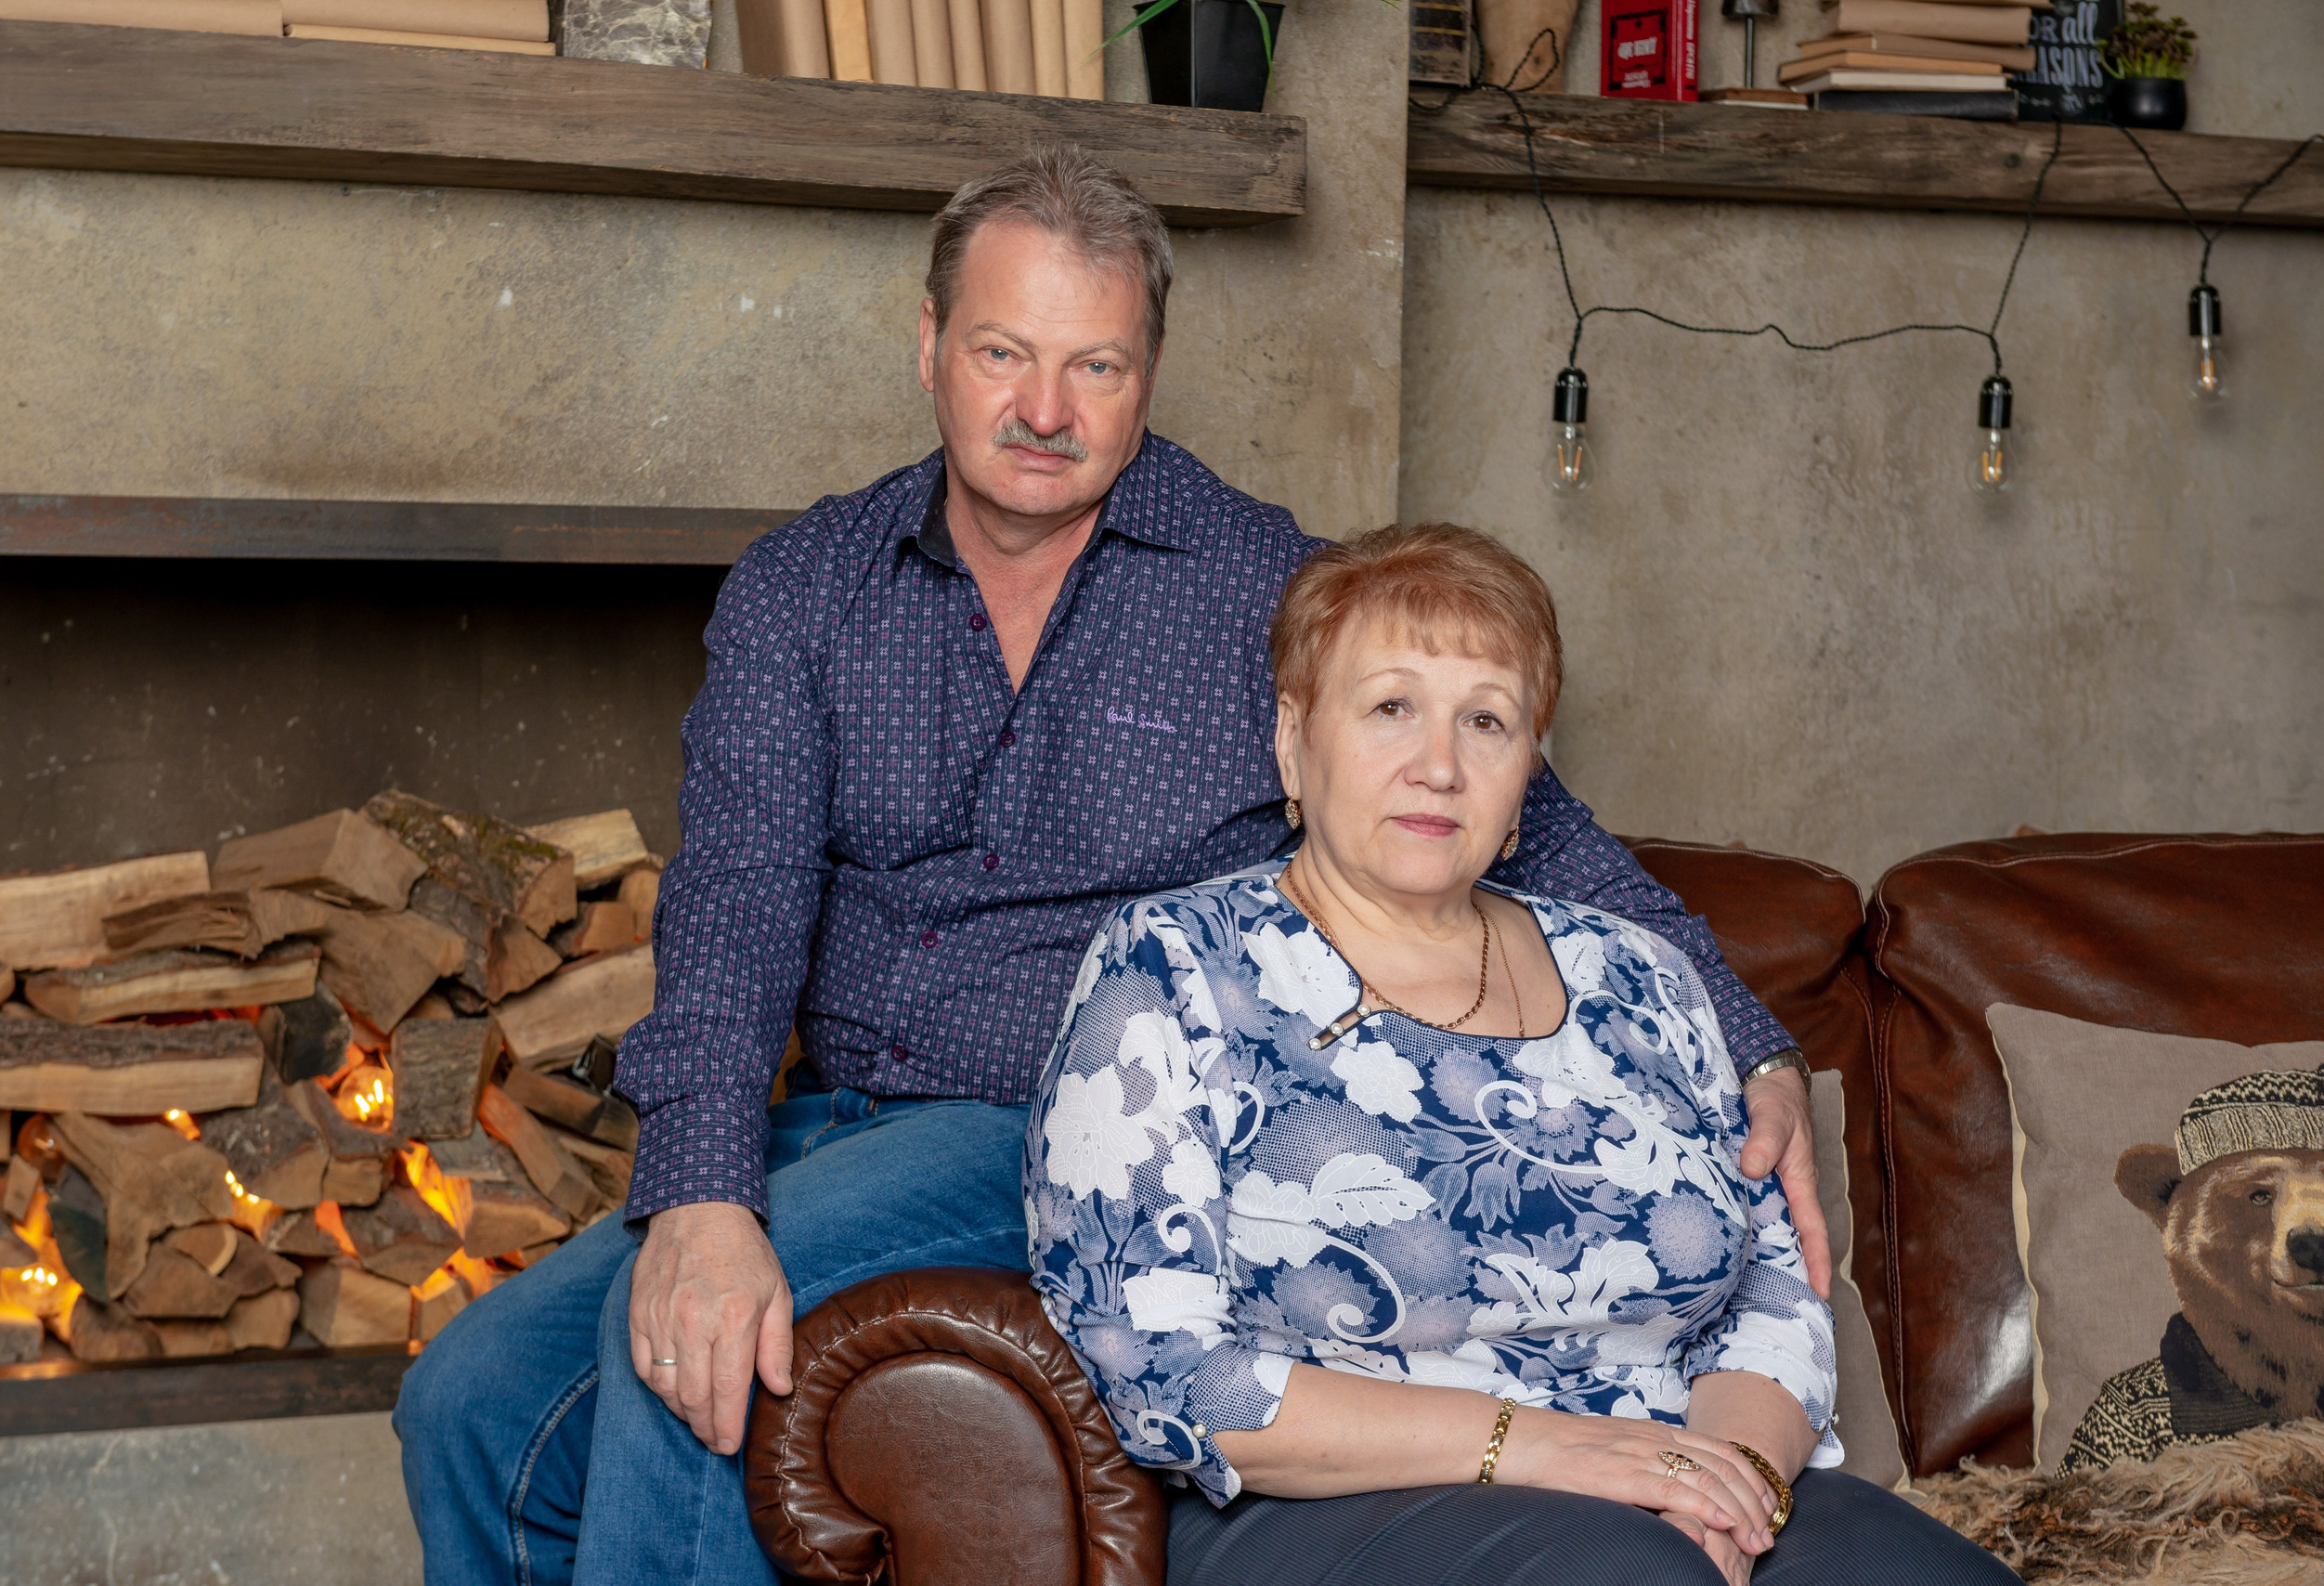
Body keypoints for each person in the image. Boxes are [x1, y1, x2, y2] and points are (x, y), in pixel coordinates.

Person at [394, 148, 1829, 1586]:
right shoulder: (805, 585)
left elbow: (1554, 838)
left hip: (1044, 1124)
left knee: (703, 1352)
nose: (1043, 411)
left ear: (1149, 375)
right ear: (929, 344)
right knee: (464, 1403)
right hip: (825, 1120)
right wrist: (703, 1186)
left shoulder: (1263, 591)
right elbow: (737, 902)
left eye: (1096, 367)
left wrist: (1758, 1049)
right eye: (1003, 353)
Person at [1024, 524, 2019, 1586]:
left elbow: (1774, 1289)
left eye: (1486, 721)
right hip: (1343, 1501)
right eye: (1390, 707)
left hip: (1681, 1471)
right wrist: (1547, 1447)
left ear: (1525, 780)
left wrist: (1725, 1481)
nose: (1439, 765)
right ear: (1291, 742)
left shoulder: (1639, 972)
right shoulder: (1171, 966)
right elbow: (1163, 1369)